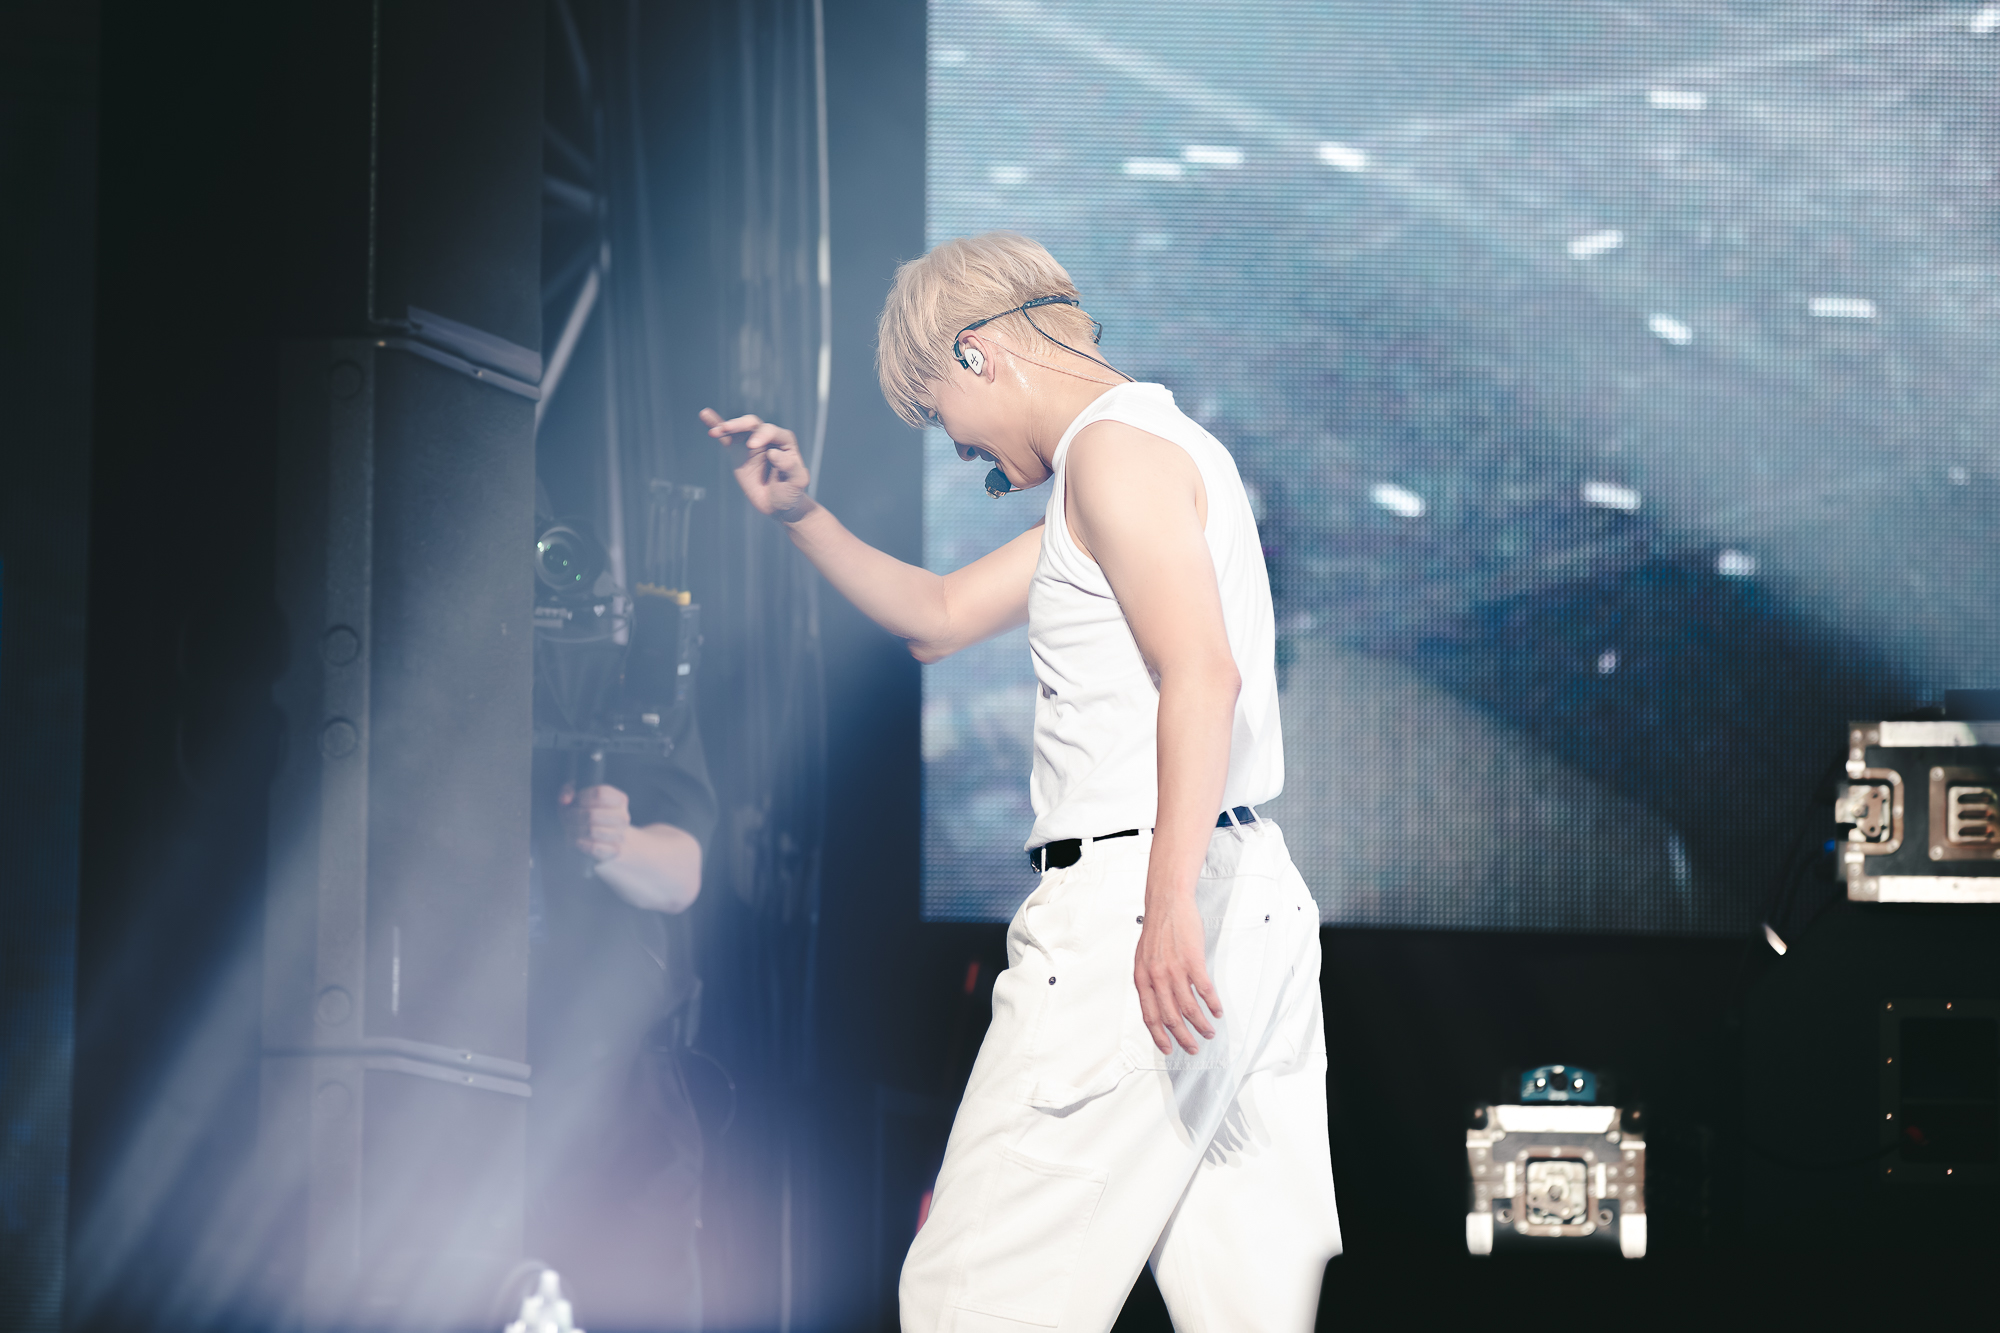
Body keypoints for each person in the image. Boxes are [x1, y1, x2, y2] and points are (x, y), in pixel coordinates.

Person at [703, 232, 1341, 1333]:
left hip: (1139, 903)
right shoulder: (1155, 447)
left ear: (977, 352)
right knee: (1245, 1306)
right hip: (1250, 903)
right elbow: (940, 617)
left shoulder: (1110, 456)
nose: (959, 447)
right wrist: (802, 515)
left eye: (937, 410)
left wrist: (1164, 902)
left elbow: (1201, 671)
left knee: (973, 1299)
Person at [526, 486, 719, 1332]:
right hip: (477, 1065)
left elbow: (680, 873)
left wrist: (613, 842)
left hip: (620, 1094)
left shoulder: (627, 678)